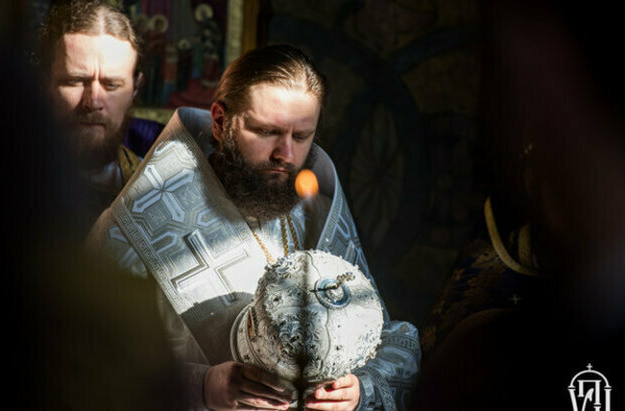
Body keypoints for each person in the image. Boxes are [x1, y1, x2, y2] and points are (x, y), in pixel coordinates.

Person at [88, 45, 420, 410]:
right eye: (266, 131)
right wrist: (203, 387)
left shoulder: (318, 214)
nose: (286, 155)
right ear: (219, 121)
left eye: (301, 136)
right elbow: (83, 368)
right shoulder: (132, 230)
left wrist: (358, 391)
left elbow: (385, 338)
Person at [37, 0, 164, 230]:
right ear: (44, 83)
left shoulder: (160, 173)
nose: (93, 102)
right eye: (74, 81)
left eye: (112, 85)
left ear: (135, 88)